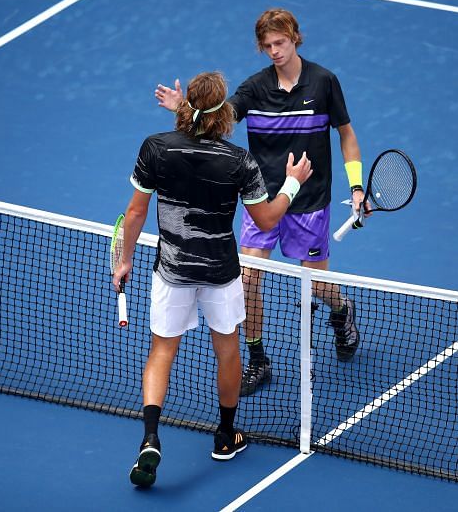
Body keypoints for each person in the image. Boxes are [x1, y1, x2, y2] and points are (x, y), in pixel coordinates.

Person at [113, 71, 312, 488]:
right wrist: (292, 184)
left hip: (172, 271)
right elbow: (267, 218)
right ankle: (225, 435)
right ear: (223, 112)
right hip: (221, 274)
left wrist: (124, 260)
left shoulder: (156, 149)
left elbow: (134, 214)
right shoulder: (239, 162)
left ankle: (150, 437)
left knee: (161, 353)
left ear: (189, 109)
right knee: (227, 350)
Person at [155, 9, 367, 396]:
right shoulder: (254, 89)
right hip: (262, 200)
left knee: (318, 285)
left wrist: (356, 187)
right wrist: (183, 109)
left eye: (280, 43)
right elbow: (215, 120)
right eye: (267, 46)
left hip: (309, 200)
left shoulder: (324, 83)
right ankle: (257, 358)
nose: (274, 52)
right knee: (248, 279)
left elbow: (347, 135)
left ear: (295, 38)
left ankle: (341, 310)